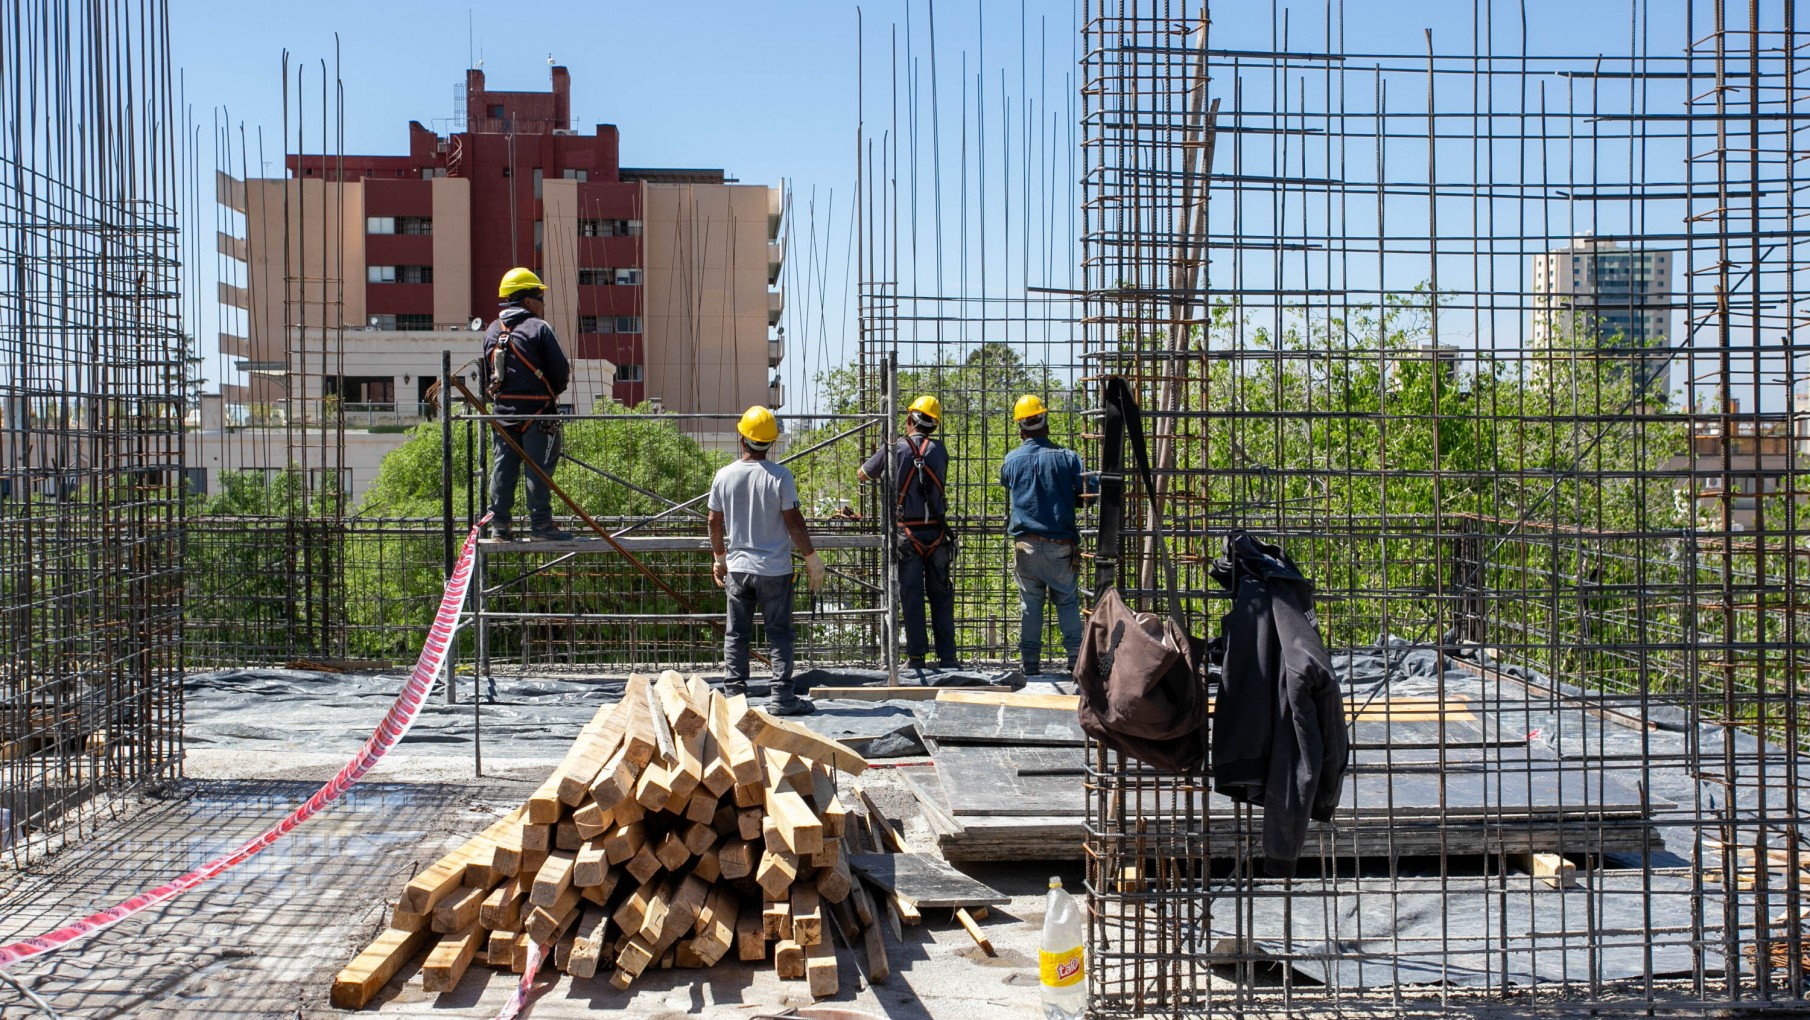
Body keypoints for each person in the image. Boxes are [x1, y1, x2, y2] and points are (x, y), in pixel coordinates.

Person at [709, 405, 827, 715]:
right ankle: (782, 698)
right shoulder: (780, 477)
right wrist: (811, 557)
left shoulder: (724, 476)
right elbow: (794, 522)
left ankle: (734, 698)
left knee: (736, 633)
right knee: (780, 633)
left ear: (742, 438)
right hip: (774, 570)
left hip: (738, 569)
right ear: (771, 443)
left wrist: (720, 557)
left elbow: (713, 522)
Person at [858, 395, 958, 671]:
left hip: (907, 534)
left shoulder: (896, 449)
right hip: (936, 534)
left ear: (910, 418)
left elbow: (863, 474)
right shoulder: (940, 451)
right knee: (940, 597)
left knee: (911, 597)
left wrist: (889, 453)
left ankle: (916, 657)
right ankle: (948, 656)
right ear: (934, 424)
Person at [998, 394, 1089, 676]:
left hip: (1025, 545)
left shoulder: (1011, 460)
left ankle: (1030, 663)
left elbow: (1008, 482)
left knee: (1030, 604)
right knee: (1067, 601)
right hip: (1060, 544)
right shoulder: (1068, 458)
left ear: (1020, 428)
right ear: (1045, 421)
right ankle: (1076, 658)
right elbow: (1088, 495)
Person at [482, 267, 572, 541]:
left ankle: (499, 527)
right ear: (528, 301)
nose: (543, 305)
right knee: (539, 469)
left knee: (503, 469)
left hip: (503, 415)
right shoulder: (539, 328)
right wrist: (551, 393)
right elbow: (560, 370)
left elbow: (489, 378)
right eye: (540, 298)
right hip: (539, 414)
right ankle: (542, 525)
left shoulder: (491, 330)